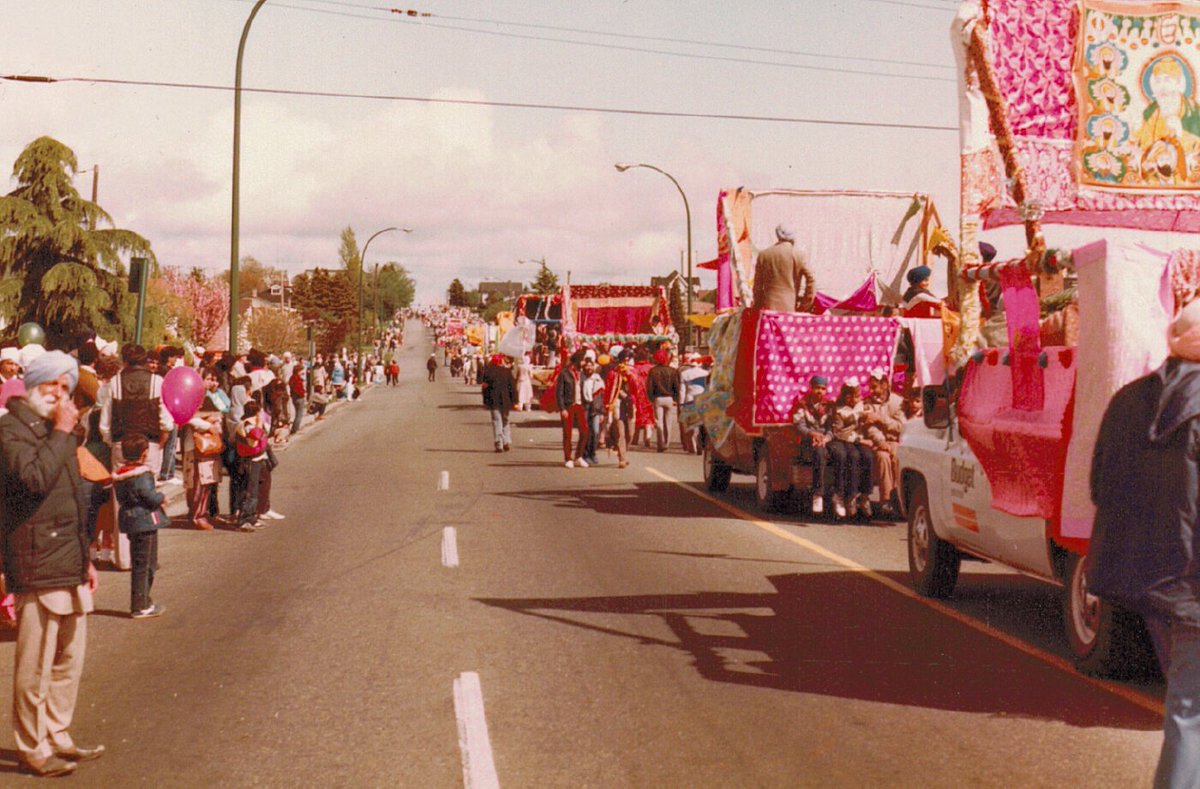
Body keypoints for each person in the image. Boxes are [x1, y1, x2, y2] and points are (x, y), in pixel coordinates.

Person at [1087, 298, 1200, 787]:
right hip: (1193, 586)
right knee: (1189, 714)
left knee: (1185, 708)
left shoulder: (1127, 399)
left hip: (1146, 581)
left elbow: (1099, 486)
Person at [0, 351, 104, 777]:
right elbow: (33, 480)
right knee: (34, 665)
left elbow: (73, 498)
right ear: (32, 386)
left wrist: (88, 557)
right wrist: (63, 432)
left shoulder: (54, 430)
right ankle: (32, 745)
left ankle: (58, 733)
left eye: (65, 388)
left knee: (69, 658)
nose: (60, 395)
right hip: (37, 557)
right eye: (52, 386)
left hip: (69, 558)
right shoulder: (11, 430)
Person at [113, 434, 168, 619]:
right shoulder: (142, 475)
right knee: (145, 564)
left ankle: (144, 600)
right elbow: (148, 495)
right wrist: (161, 498)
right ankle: (140, 604)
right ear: (144, 453)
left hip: (130, 519)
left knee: (141, 562)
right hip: (144, 520)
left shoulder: (121, 475)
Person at [100, 343, 173, 475]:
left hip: (121, 444)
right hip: (150, 445)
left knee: (120, 490)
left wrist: (113, 443)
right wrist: (159, 445)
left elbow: (105, 423)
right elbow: (166, 422)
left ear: (124, 361)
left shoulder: (114, 382)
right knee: (148, 491)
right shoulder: (157, 381)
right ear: (144, 361)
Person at [181, 368, 227, 530]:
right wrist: (208, 424)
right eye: (207, 378)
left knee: (206, 481)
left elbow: (219, 415)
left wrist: (214, 422)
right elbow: (189, 418)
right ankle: (196, 515)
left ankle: (202, 512)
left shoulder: (209, 398)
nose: (210, 382)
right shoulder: (191, 398)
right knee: (196, 482)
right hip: (195, 445)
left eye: (213, 379)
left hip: (208, 445)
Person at [860, 368, 907, 517]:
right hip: (878, 443)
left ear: (885, 385)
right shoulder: (867, 404)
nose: (872, 391)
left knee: (897, 455)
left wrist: (881, 418)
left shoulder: (897, 402)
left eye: (875, 387)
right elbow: (870, 427)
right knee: (882, 457)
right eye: (871, 387)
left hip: (895, 441)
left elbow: (901, 426)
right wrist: (880, 440)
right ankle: (886, 500)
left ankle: (899, 498)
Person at [829, 379, 875, 519]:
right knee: (853, 456)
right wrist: (859, 440)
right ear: (846, 396)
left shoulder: (863, 406)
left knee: (868, 456)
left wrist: (868, 419)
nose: (856, 399)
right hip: (847, 440)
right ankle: (851, 495)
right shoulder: (839, 410)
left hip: (861, 439)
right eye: (853, 396)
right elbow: (839, 432)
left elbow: (868, 420)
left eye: (857, 396)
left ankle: (865, 495)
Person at [792, 375, 833, 516]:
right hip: (808, 442)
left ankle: (842, 496)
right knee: (819, 453)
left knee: (843, 453)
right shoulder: (802, 404)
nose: (820, 391)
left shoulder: (829, 406)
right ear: (811, 388)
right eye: (817, 388)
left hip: (826, 441)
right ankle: (818, 495)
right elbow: (799, 425)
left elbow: (832, 428)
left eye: (823, 388)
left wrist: (825, 439)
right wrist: (812, 434)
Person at [752, 224, 816, 312]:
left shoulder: (764, 255)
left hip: (768, 308)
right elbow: (811, 279)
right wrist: (806, 303)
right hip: (790, 307)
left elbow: (757, 285)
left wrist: (757, 304)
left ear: (777, 235)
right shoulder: (799, 255)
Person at [234, 400, 269, 532]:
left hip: (258, 459)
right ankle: (244, 519)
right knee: (250, 492)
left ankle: (252, 517)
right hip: (250, 461)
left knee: (256, 490)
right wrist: (259, 424)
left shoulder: (251, 423)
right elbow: (253, 440)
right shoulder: (248, 425)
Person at [555, 350, 590, 467]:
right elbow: (559, 392)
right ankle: (568, 458)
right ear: (578, 360)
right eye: (583, 360)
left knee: (585, 431)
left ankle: (578, 456)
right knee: (567, 433)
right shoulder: (564, 373)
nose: (585, 363)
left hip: (580, 405)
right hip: (568, 405)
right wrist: (562, 408)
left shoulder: (582, 374)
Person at [646, 348, 681, 452]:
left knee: (659, 422)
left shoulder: (653, 371)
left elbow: (649, 387)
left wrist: (651, 398)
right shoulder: (672, 371)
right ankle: (667, 443)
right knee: (668, 422)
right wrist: (675, 399)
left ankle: (660, 443)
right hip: (669, 398)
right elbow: (676, 387)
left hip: (657, 398)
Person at [604, 350, 635, 468]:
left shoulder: (633, 372)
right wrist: (607, 405)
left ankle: (624, 451)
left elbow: (638, 387)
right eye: (624, 360)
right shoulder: (613, 373)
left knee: (630, 433)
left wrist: (630, 375)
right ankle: (622, 457)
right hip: (617, 404)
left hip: (631, 405)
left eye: (628, 360)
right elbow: (608, 389)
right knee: (620, 430)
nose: (626, 362)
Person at [480, 354, 516, 452]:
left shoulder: (488, 373)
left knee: (497, 421)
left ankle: (499, 443)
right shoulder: (507, 372)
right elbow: (512, 388)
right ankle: (506, 440)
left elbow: (484, 388)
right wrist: (514, 401)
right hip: (506, 401)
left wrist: (485, 401)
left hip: (493, 401)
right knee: (505, 421)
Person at [679, 353, 708, 454]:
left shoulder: (684, 374)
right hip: (703, 399)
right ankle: (701, 445)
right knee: (702, 424)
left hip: (689, 399)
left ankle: (693, 446)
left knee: (691, 425)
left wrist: (681, 404)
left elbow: (682, 391)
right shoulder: (705, 373)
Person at [580, 356, 605, 465]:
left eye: (590, 366)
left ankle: (592, 452)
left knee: (595, 432)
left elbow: (601, 397)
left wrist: (602, 412)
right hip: (584, 408)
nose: (589, 369)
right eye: (587, 367)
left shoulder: (597, 379)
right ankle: (585, 454)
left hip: (595, 409)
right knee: (586, 432)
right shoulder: (581, 378)